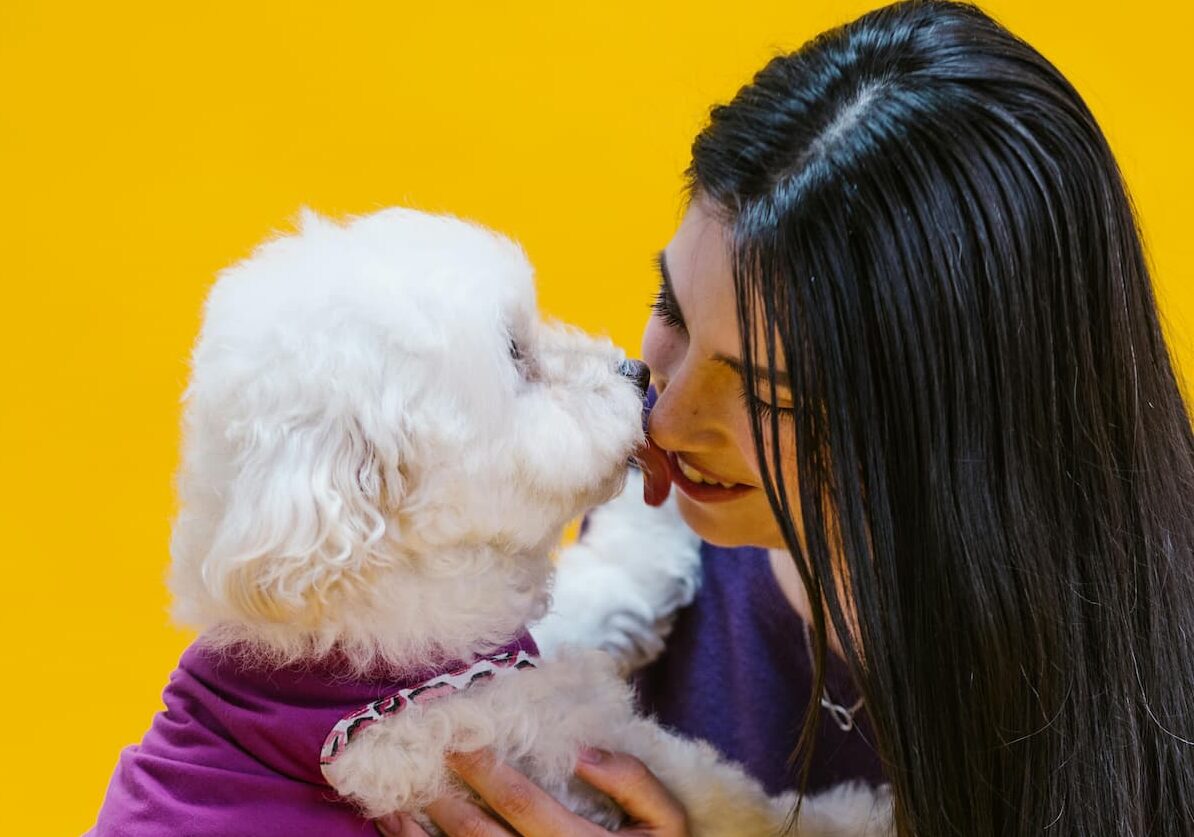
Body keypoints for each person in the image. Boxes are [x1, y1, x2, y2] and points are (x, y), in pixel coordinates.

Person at [380, 0, 1194, 834]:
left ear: (960, 433)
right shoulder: (653, 545)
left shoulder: (1140, 696)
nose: (664, 413)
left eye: (768, 392)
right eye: (674, 308)